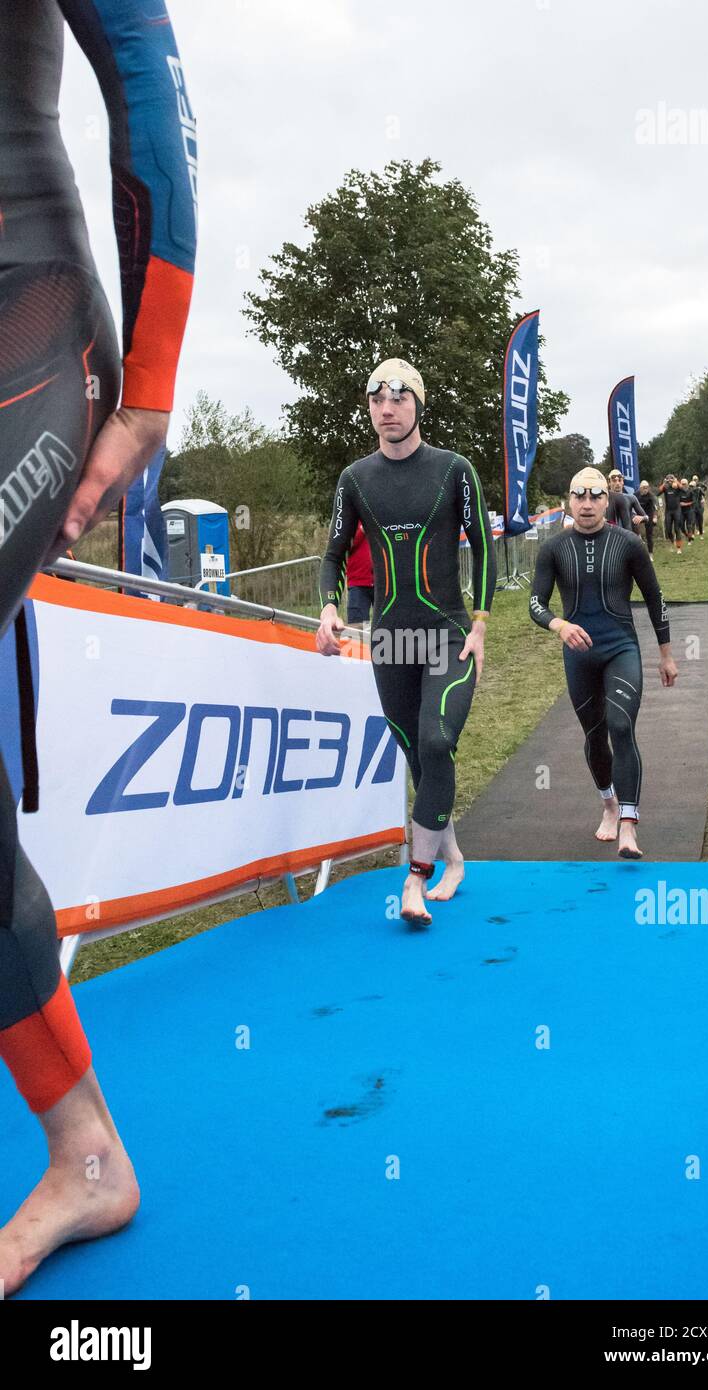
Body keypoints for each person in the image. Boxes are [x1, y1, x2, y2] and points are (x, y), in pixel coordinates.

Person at [0, 0, 196, 1297]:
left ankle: (86, 1155)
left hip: (24, 330)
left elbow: (142, 68)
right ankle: (85, 1154)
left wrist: (153, 384)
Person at [316, 359, 495, 926]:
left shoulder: (453, 470)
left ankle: (414, 880)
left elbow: (485, 548)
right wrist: (328, 606)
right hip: (392, 640)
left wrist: (482, 622)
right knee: (418, 754)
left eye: (398, 399)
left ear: (418, 404)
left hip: (448, 633)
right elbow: (333, 553)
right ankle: (454, 859)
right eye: (376, 400)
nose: (387, 409)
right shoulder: (356, 479)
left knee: (437, 740)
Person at [529, 468, 678, 859]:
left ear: (606, 501)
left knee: (620, 725)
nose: (587, 503)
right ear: (569, 501)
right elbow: (535, 604)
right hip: (578, 655)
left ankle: (629, 824)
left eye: (596, 496)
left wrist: (666, 654)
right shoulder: (554, 549)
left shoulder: (628, 544)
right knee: (595, 736)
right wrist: (559, 625)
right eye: (580, 495)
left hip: (620, 649)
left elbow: (654, 598)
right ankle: (609, 805)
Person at [346, 521, 374, 628]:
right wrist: (362, 530)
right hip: (358, 583)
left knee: (387, 626)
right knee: (357, 628)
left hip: (383, 582)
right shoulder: (349, 518)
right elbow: (342, 545)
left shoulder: (381, 515)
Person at [607, 469, 646, 533]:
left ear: (623, 482)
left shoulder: (631, 497)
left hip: (629, 537)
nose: (617, 483)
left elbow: (646, 517)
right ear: (609, 483)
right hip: (611, 537)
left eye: (620, 480)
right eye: (614, 481)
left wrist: (641, 518)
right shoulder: (604, 499)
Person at [659, 474, 685, 552]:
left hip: (677, 510)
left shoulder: (676, 486)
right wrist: (664, 483)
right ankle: (672, 540)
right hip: (668, 511)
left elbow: (684, 490)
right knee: (668, 529)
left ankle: (679, 548)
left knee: (677, 529)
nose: (670, 481)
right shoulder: (665, 487)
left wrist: (676, 481)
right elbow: (657, 493)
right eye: (668, 479)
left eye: (671, 479)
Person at [637, 479, 658, 560]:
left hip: (649, 515)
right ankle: (639, 537)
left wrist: (655, 517)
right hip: (639, 514)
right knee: (633, 529)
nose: (645, 489)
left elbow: (655, 507)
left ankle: (650, 554)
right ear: (640, 488)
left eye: (647, 487)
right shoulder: (636, 495)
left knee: (649, 535)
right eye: (644, 488)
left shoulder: (651, 496)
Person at [678, 478, 695, 542]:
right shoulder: (679, 492)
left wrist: (685, 504)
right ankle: (687, 535)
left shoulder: (690, 491)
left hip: (689, 510)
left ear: (687, 484)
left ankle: (690, 538)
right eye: (682, 484)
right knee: (681, 526)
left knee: (689, 525)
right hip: (681, 511)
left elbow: (693, 501)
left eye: (684, 484)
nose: (683, 485)